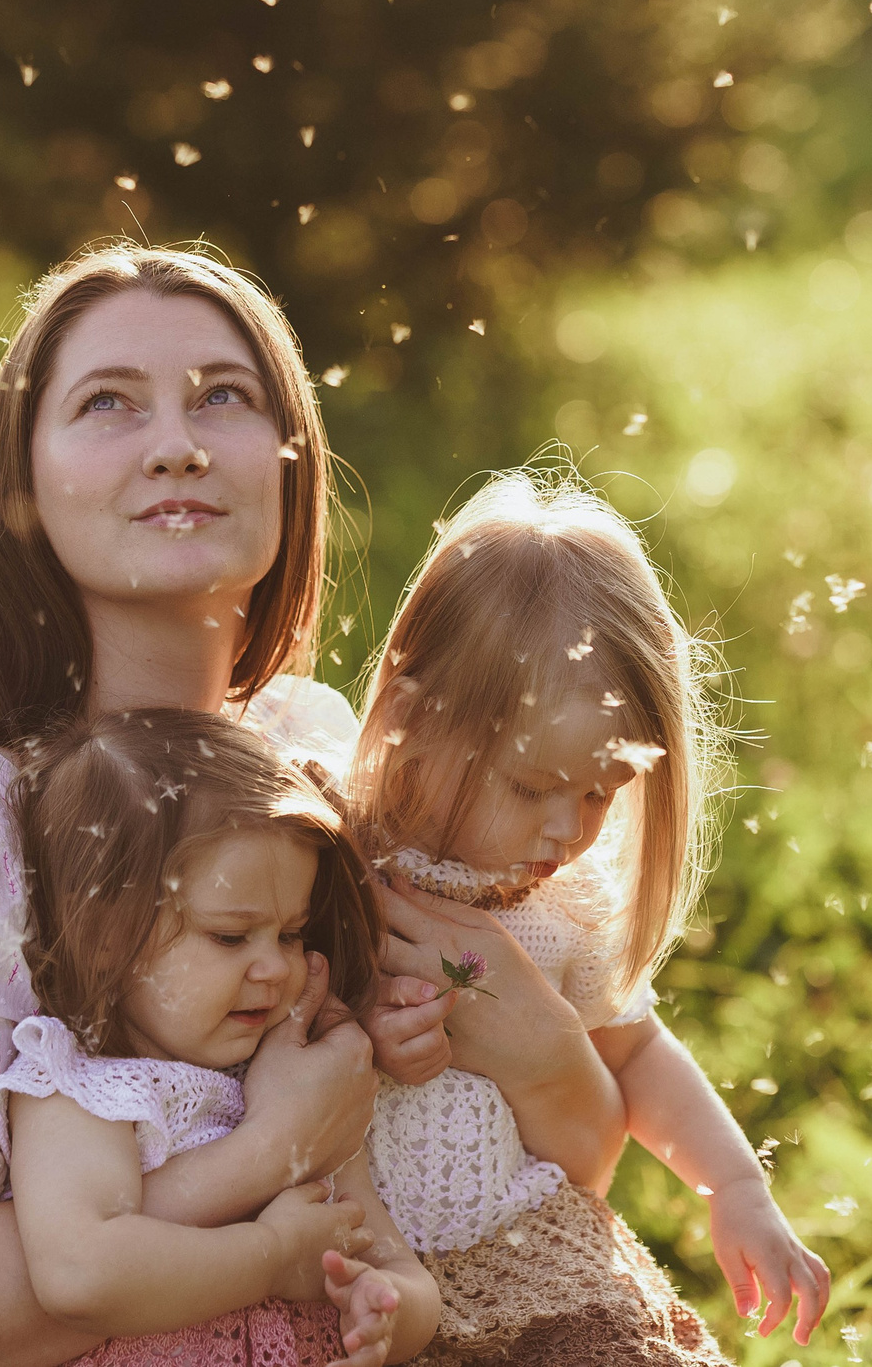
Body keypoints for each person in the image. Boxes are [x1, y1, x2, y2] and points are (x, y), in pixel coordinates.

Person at [0, 244, 615, 1367]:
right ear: (23, 489)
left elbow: (508, 1188)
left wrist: (545, 1057)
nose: (176, 443)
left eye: (223, 397)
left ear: (290, 464)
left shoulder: (308, 759)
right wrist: (272, 1152)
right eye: (108, 404)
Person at [344, 470, 832, 1363]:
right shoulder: (332, 855)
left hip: (527, 1248)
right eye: (533, 786)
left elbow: (635, 1049)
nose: (569, 829)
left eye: (603, 793)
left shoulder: (562, 907)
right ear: (413, 719)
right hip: (357, 1257)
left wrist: (733, 1183)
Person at [0, 708, 440, 1367]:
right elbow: (80, 1269)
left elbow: (402, 1267)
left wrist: (384, 1304)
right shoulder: (87, 1086)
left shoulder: (295, 1082)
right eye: (231, 936)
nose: (277, 966)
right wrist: (269, 1257)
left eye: (290, 933)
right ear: (109, 932)